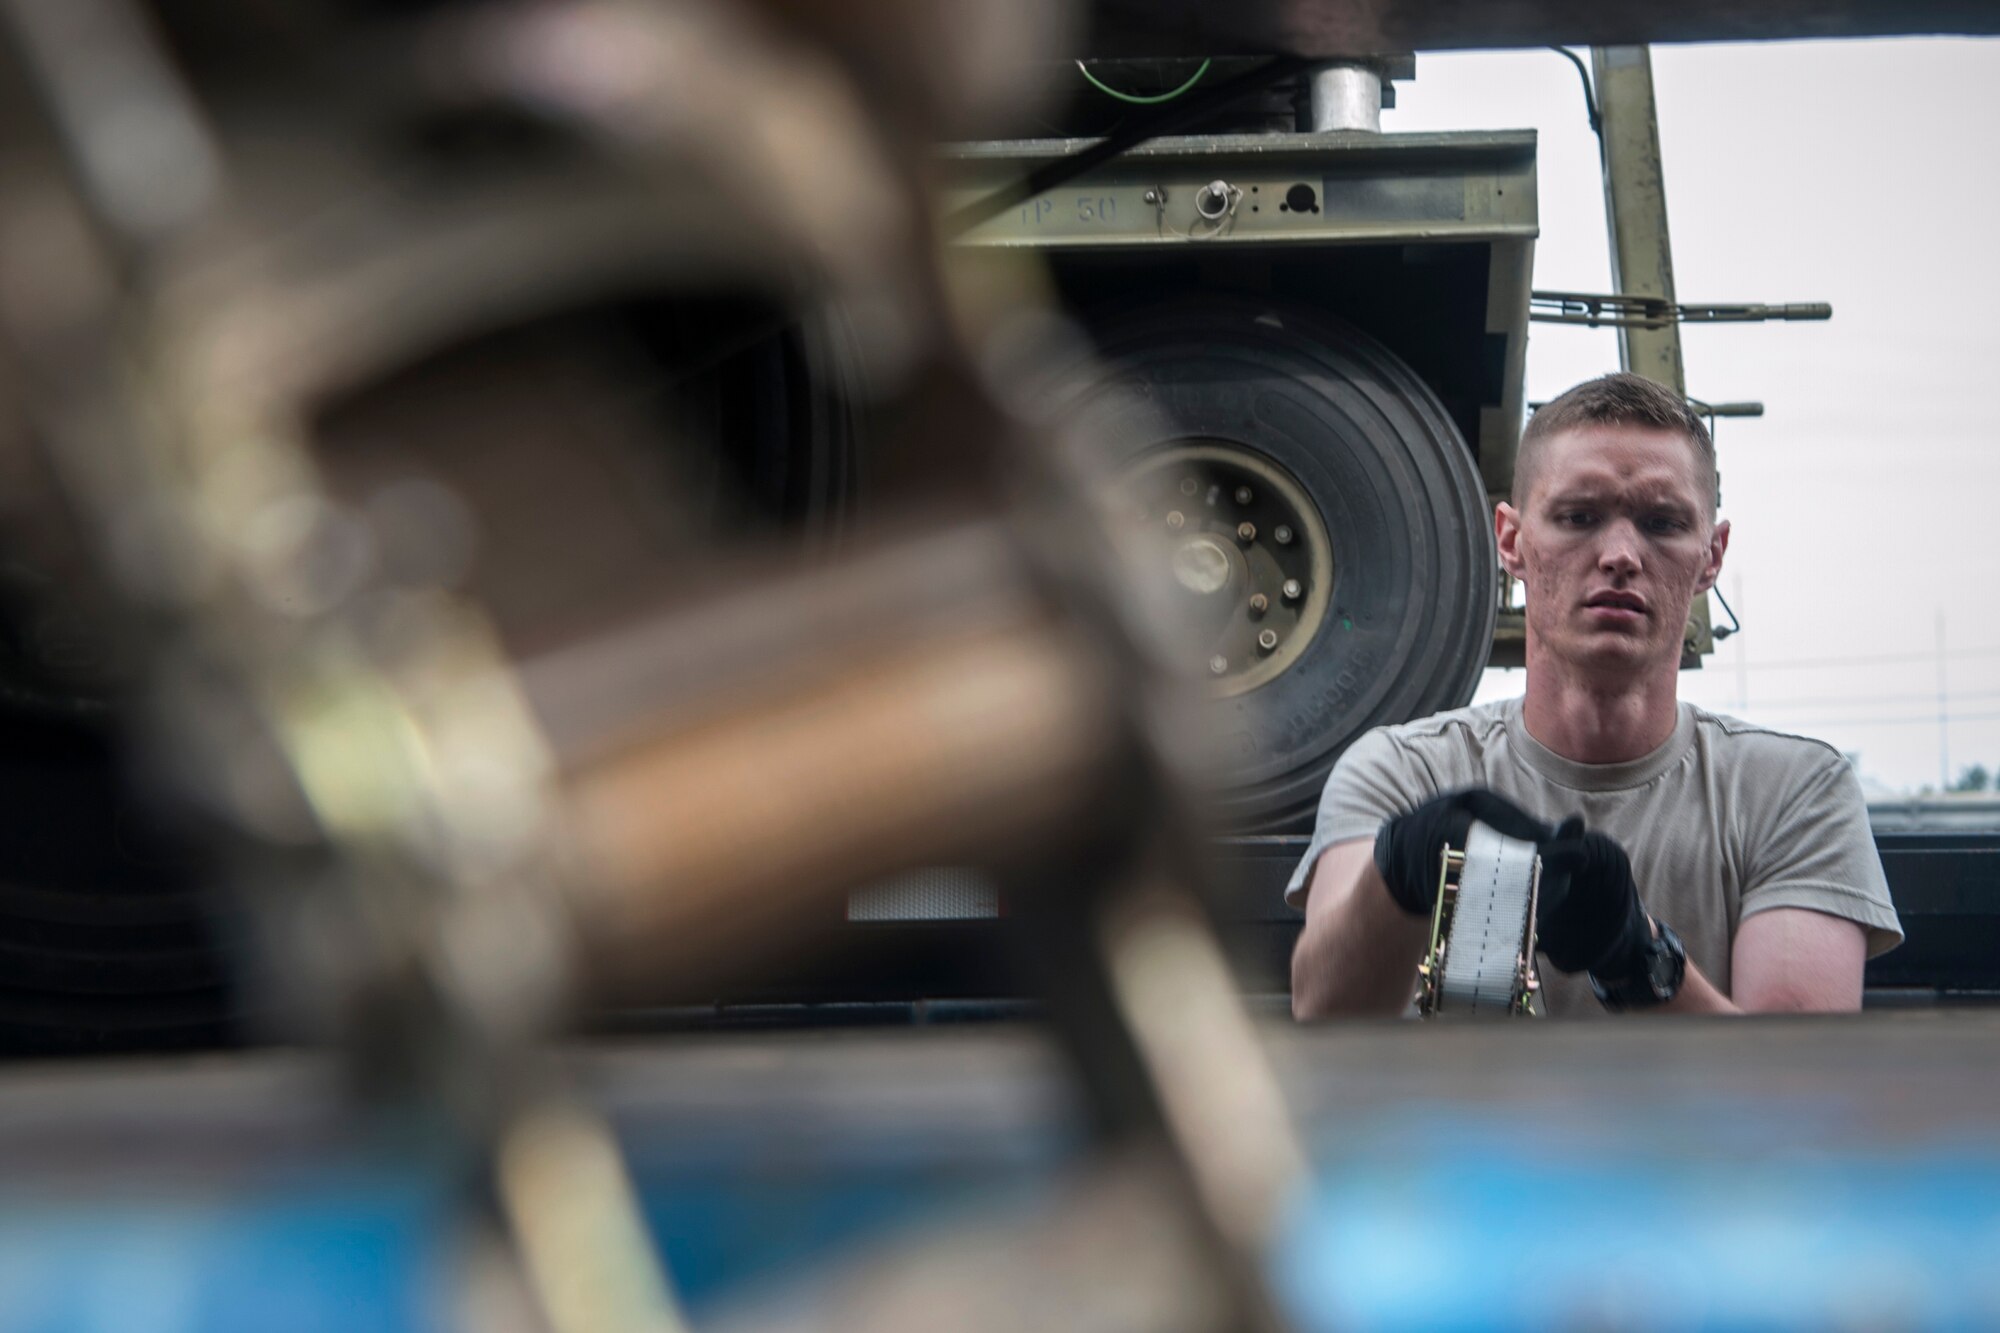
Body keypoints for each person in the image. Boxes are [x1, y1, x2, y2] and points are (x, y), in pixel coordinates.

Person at [1288, 373, 1901, 1019]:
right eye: (1579, 517)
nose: (1619, 555)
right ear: (1511, 541)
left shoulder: (1792, 790)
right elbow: (1324, 1011)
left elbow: (1798, 1085)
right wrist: (1400, 872)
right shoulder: (1402, 773)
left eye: (1662, 522)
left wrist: (1639, 960)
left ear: (1712, 555)